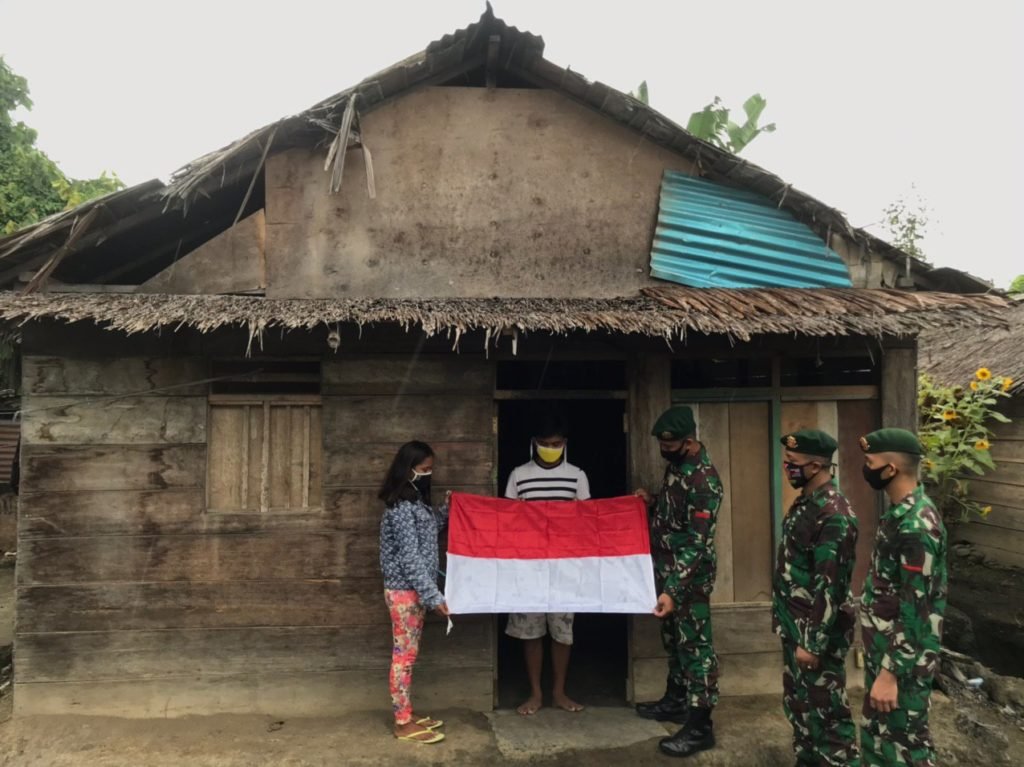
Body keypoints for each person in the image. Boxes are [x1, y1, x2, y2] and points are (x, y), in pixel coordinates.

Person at [634, 405, 722, 759]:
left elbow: (698, 542)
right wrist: (652, 502)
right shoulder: (678, 468)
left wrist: (673, 589)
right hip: (667, 571)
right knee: (674, 641)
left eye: (669, 444)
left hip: (689, 580)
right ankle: (676, 701)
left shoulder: (704, 481)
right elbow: (674, 513)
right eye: (661, 443)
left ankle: (700, 727)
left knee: (696, 648)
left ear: (688, 441)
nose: (663, 449)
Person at [859, 428, 947, 766]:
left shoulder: (917, 526)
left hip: (903, 663)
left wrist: (891, 673)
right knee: (880, 742)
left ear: (891, 469)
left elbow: (916, 608)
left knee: (905, 748)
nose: (866, 469)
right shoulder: (900, 514)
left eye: (870, 463)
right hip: (886, 651)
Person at [772, 429, 860, 766]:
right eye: (786, 461)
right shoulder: (807, 503)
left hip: (816, 634)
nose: (787, 467)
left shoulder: (834, 514)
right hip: (796, 626)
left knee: (828, 718)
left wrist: (812, 642)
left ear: (816, 465)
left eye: (792, 462)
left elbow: (830, 585)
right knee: (801, 709)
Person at [504, 411, 590, 715]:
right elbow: (507, 521)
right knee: (531, 633)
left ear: (564, 443)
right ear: (534, 442)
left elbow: (588, 521)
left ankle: (558, 692)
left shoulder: (577, 475)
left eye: (555, 443)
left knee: (562, 632)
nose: (550, 448)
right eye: (544, 443)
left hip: (565, 566)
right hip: (528, 565)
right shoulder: (518, 475)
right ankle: (536, 693)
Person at [378, 441, 452, 744]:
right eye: (424, 469)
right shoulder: (400, 508)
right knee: (404, 657)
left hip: (413, 592)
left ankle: (407, 712)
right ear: (407, 469)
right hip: (405, 593)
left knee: (408, 655)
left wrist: (447, 510)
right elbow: (410, 558)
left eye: (430, 469)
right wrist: (434, 597)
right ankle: (402, 723)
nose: (428, 474)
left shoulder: (416, 504)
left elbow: (430, 530)